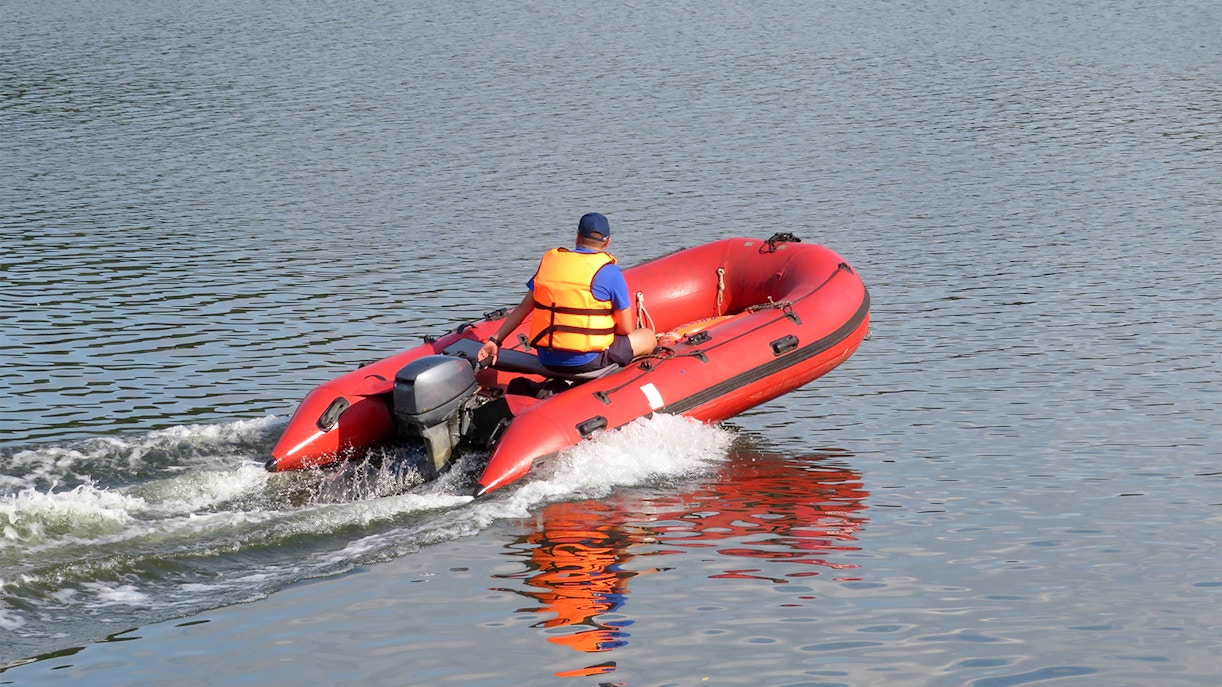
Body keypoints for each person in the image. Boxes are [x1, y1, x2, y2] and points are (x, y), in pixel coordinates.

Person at [478, 213, 655, 374]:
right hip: (587, 360)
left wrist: (495, 340)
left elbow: (524, 307)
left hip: (546, 358)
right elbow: (626, 329)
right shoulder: (609, 271)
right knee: (647, 336)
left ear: (578, 236)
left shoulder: (550, 263)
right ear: (607, 242)